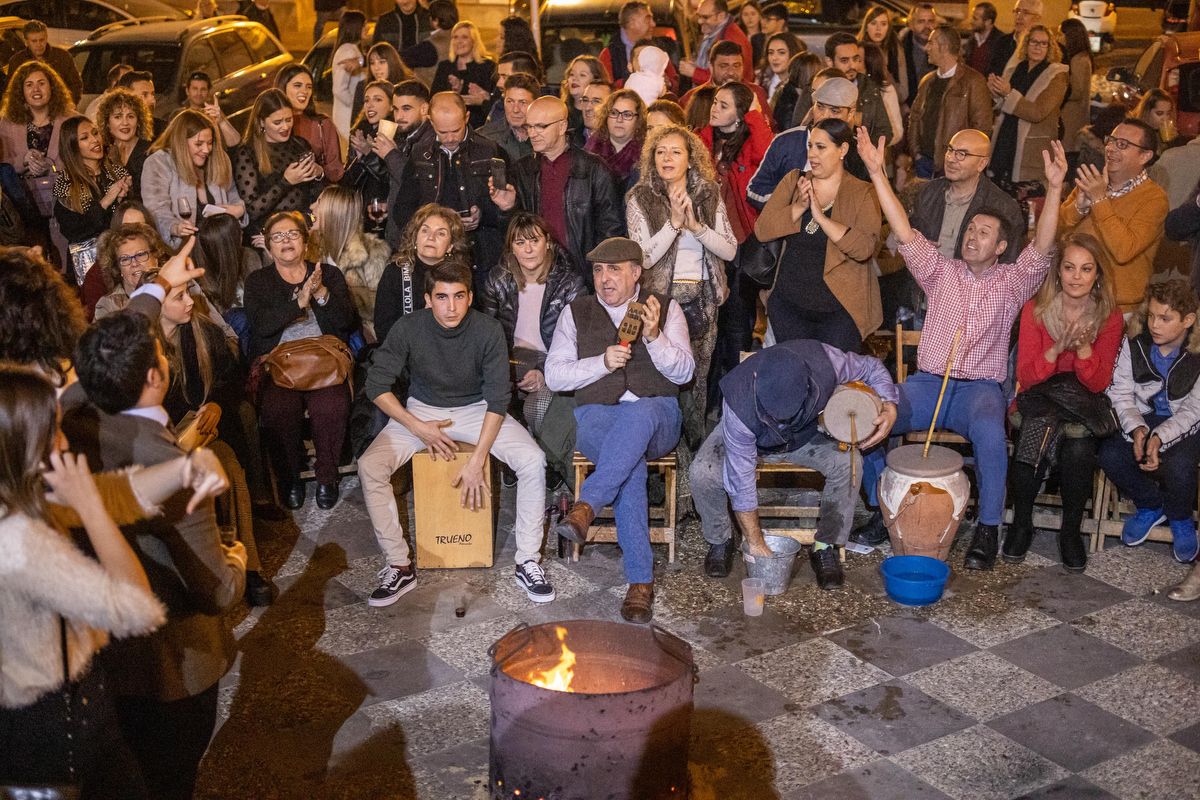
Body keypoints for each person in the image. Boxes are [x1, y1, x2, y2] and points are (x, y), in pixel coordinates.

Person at [857, 129, 1068, 569]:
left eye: (984, 232)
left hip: (978, 391)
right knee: (876, 418)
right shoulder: (940, 272)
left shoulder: (1013, 282)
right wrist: (877, 172)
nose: (972, 236)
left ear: (1002, 247)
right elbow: (903, 228)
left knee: (992, 434)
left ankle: (988, 529)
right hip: (929, 382)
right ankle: (883, 510)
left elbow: (1045, 247)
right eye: (971, 229)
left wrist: (1054, 188)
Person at [63, 311, 247, 800]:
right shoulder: (168, 463)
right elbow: (215, 590)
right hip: (172, 665)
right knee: (170, 781)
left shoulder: (74, 422)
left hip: (104, 657)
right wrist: (238, 553)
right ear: (154, 376)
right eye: (161, 353)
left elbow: (84, 381)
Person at [0, 364, 166, 800]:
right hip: (56, 744)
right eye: (53, 431)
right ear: (23, 444)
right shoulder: (19, 540)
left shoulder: (16, 504)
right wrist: (91, 508)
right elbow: (138, 608)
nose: (66, 442)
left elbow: (119, 492)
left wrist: (186, 471)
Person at [361, 259, 555, 606]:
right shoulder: (408, 328)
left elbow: (498, 398)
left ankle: (527, 560)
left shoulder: (488, 329)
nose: (451, 307)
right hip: (421, 411)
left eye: (459, 296)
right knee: (370, 465)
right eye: (441, 297)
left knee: (532, 460)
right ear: (427, 298)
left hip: (477, 409)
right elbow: (376, 384)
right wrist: (417, 426)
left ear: (469, 297)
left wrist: (477, 460)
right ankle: (399, 565)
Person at [548, 238, 696, 623]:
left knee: (642, 414)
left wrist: (654, 337)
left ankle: (587, 505)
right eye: (598, 270)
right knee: (627, 464)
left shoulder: (664, 308)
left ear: (636, 273)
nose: (605, 279)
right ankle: (640, 583)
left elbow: (685, 372)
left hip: (658, 415)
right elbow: (554, 375)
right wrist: (601, 362)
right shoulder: (575, 313)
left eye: (615, 270)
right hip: (597, 416)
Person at [691, 341, 898, 585]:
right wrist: (756, 542)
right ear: (757, 380)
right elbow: (741, 481)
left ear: (809, 384)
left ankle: (824, 546)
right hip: (749, 437)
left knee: (849, 464)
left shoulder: (827, 362)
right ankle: (720, 540)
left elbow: (872, 367)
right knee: (702, 472)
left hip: (803, 436)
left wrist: (889, 404)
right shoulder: (738, 400)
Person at [1005, 232, 1123, 570]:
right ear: (1058, 272)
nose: (1076, 277)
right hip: (1041, 394)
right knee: (1032, 429)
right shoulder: (1036, 310)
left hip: (1080, 399)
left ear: (1097, 274)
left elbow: (1098, 382)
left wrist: (1084, 349)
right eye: (1069, 268)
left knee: (1079, 446)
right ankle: (1021, 523)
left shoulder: (1109, 317)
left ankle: (1070, 532)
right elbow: (1027, 375)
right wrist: (1056, 349)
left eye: (1086, 269)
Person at [153, 278, 274, 604]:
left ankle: (249, 568)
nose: (190, 302)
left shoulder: (203, 333)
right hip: (160, 439)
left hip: (203, 433)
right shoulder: (142, 346)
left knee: (230, 470)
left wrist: (218, 403)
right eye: (179, 297)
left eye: (188, 294)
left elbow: (229, 379)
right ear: (157, 304)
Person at [627, 123, 736, 456]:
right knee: (663, 380)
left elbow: (730, 250)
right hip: (658, 298)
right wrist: (673, 225)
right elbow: (641, 256)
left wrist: (696, 227)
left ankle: (696, 450)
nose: (667, 158)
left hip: (702, 298)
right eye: (660, 152)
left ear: (690, 159)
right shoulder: (640, 197)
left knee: (697, 381)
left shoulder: (708, 193)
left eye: (675, 151)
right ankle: (666, 452)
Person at [243, 212, 359, 509]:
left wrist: (320, 293)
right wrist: (298, 303)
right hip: (280, 363)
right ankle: (290, 477)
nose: (286, 241)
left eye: (293, 234)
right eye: (278, 237)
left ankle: (326, 477)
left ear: (305, 242)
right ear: (268, 247)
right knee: (278, 410)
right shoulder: (258, 281)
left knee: (332, 405)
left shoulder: (328, 274)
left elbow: (345, 321)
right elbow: (261, 326)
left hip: (325, 360)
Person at [755, 117, 882, 352]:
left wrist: (822, 219)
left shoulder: (863, 192)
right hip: (789, 305)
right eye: (810, 146)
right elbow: (763, 230)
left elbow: (864, 248)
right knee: (795, 377)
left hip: (840, 312)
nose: (812, 154)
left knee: (833, 381)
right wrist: (799, 208)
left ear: (842, 149)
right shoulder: (795, 181)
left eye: (821, 147)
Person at [1100, 279, 1200, 564]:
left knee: (1181, 464)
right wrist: (1139, 429)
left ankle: (1180, 516)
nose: (1155, 324)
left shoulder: (1197, 354)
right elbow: (1120, 393)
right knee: (1110, 454)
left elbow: (1194, 411)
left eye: (1165, 319)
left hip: (1184, 421)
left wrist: (1159, 438)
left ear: (1187, 320)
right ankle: (1150, 504)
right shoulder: (1134, 341)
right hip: (1142, 416)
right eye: (1152, 316)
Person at [482, 212, 586, 482]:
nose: (527, 249)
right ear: (511, 248)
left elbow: (578, 341)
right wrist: (503, 371)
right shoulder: (498, 279)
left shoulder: (569, 283)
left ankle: (547, 457)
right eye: (519, 243)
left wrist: (543, 370)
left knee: (537, 408)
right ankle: (514, 457)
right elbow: (488, 334)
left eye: (534, 241)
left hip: (553, 360)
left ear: (548, 243)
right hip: (508, 359)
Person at [492, 96, 626, 284]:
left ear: (562, 126)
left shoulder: (594, 169)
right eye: (529, 127)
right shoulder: (522, 170)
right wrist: (507, 208)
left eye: (541, 126)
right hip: (535, 276)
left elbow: (611, 230)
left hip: (583, 276)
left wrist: (600, 275)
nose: (533, 133)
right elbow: (514, 233)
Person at [392, 92, 507, 289]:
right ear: (430, 121)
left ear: (467, 118)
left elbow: (508, 206)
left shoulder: (490, 151)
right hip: (433, 258)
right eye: (443, 132)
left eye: (456, 130)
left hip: (481, 255)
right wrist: (428, 228)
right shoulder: (420, 153)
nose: (451, 138)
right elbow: (403, 208)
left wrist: (483, 215)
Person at [1058, 117, 1168, 313]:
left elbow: (1124, 250)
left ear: (1145, 156)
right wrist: (1079, 208)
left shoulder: (1155, 199)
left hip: (1118, 308)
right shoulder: (1091, 183)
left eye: (1123, 145)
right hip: (1071, 298)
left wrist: (1099, 200)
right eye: (1110, 140)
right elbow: (1054, 237)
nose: (1111, 148)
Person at [909, 129, 1025, 266]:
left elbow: (1009, 265)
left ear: (982, 164)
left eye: (962, 154)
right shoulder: (928, 193)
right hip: (924, 281)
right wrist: (916, 246)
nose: (951, 159)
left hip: (976, 285)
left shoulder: (1003, 207)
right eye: (950, 150)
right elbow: (908, 237)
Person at [0, 60, 76, 258]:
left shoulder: (72, 120)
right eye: (29, 84)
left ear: (52, 87)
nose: (36, 89)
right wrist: (24, 161)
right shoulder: (7, 122)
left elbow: (82, 158)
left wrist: (51, 165)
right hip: (23, 205)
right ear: (21, 91)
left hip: (64, 201)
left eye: (41, 83)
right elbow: (3, 162)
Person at [747, 72, 856, 208]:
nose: (825, 116)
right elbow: (754, 191)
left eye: (835, 111)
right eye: (820, 107)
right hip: (788, 226)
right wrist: (792, 199)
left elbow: (874, 206)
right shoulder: (786, 141)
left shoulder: (860, 151)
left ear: (850, 113)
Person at [141, 109, 246, 249]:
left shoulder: (219, 159)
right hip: (184, 249)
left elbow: (233, 196)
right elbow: (156, 210)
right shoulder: (159, 162)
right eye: (199, 144)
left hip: (222, 246)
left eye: (209, 143)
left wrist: (239, 210)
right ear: (181, 142)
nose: (206, 150)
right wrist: (175, 227)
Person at [233, 89, 325, 240]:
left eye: (288, 120)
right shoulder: (248, 153)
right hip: (271, 233)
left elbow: (317, 194)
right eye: (277, 122)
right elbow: (251, 211)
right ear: (261, 121)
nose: (285, 127)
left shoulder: (299, 145)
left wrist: (318, 174)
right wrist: (286, 182)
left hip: (306, 225)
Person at [374, 203, 472, 342]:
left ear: (450, 246)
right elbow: (383, 330)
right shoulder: (394, 273)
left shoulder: (460, 276)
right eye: (425, 231)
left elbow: (471, 327)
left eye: (441, 233)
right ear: (415, 237)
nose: (431, 237)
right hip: (404, 354)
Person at [53, 116, 132, 285]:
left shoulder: (118, 172)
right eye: (84, 138)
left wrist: (121, 202)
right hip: (88, 265)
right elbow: (74, 231)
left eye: (95, 133)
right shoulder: (66, 182)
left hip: (123, 257)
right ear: (72, 146)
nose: (95, 140)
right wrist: (107, 200)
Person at [906, 25, 992, 179]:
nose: (927, 48)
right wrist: (916, 153)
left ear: (944, 47)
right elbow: (915, 118)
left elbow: (982, 129)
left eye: (931, 43)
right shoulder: (927, 81)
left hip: (954, 166)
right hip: (923, 163)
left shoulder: (973, 82)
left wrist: (963, 161)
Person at [987, 26, 1067, 188]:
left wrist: (1008, 94)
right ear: (1026, 44)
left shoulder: (1057, 75)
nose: (1038, 47)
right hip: (1005, 141)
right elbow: (1005, 105)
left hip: (1031, 151)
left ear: (1050, 47)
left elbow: (1037, 112)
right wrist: (995, 92)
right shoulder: (1018, 68)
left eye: (1043, 43)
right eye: (1034, 42)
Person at [311, 185, 390, 339]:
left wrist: (342, 296)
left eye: (319, 202)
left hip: (360, 337)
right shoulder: (312, 250)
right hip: (322, 333)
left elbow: (379, 308)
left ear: (334, 212)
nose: (311, 207)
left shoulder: (372, 253)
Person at [378, 79, 433, 246]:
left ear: (424, 109)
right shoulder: (404, 137)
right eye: (395, 109)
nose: (399, 116)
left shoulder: (432, 141)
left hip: (417, 238)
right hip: (399, 235)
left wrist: (390, 155)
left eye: (406, 109)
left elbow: (417, 182)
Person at [275, 64, 344, 183]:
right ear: (283, 88)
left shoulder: (323, 125)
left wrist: (319, 171)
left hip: (318, 196)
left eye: (309, 87)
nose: (304, 91)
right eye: (297, 86)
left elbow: (336, 172)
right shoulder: (270, 124)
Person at [344, 80, 397, 233]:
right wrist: (359, 158)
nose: (370, 105)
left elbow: (392, 178)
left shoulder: (396, 134)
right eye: (367, 100)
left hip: (385, 213)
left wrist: (368, 154)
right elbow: (348, 183)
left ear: (392, 105)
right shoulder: (359, 132)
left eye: (378, 99)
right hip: (360, 215)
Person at [92, 222, 173, 320]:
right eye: (125, 259)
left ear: (155, 258)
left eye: (140, 255)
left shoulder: (175, 288)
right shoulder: (108, 305)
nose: (134, 263)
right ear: (118, 268)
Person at [825, 33, 892, 145]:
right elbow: (801, 128)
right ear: (829, 62)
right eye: (844, 61)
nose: (852, 66)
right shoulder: (817, 87)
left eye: (856, 59)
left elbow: (885, 132)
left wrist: (860, 150)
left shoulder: (869, 87)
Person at [432, 22, 497, 129]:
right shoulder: (445, 66)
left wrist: (483, 96)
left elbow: (495, 100)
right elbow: (434, 98)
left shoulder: (488, 66)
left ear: (474, 41)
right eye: (455, 37)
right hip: (450, 126)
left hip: (480, 125)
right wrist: (454, 92)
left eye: (464, 37)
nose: (459, 41)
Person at [680, 40, 771, 117]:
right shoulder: (692, 98)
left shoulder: (757, 93)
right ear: (711, 67)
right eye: (724, 66)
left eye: (736, 66)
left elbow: (770, 131)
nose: (731, 72)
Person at [95, 89, 152, 201]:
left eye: (130, 116)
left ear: (139, 121)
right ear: (107, 123)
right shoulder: (101, 153)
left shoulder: (151, 152)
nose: (125, 123)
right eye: (118, 117)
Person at [5, 20, 82, 103]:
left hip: (58, 110)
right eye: (34, 41)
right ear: (26, 42)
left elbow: (76, 85)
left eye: (41, 40)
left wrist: (68, 106)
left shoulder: (62, 57)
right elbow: (12, 91)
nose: (39, 44)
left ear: (46, 38)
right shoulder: (17, 61)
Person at [681, 0, 755, 85]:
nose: (699, 21)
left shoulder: (732, 38)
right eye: (699, 16)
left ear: (721, 16)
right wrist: (696, 65)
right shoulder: (714, 33)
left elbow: (730, 79)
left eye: (705, 17)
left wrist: (694, 73)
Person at [585, 87, 646, 186]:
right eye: (614, 113)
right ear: (606, 116)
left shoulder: (645, 154)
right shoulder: (591, 148)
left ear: (638, 120)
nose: (619, 119)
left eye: (627, 115)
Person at [480, 72, 538, 163]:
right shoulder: (485, 138)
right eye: (510, 101)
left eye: (522, 102)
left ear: (535, 104)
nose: (515, 109)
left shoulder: (547, 137)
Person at [398, 0, 458, 88]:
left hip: (431, 95)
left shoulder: (431, 46)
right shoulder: (458, 38)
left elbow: (399, 58)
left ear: (435, 21)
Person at [173, 71, 241, 148]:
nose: (199, 93)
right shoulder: (179, 115)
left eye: (203, 89)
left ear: (208, 92)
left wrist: (221, 121)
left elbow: (235, 142)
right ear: (187, 91)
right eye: (195, 89)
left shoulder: (214, 113)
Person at [350, 42, 410, 126]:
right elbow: (355, 122)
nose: (376, 68)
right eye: (372, 63)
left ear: (392, 62)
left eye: (382, 62)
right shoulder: (363, 86)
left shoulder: (405, 87)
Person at [331, 11, 369, 144]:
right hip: (347, 120)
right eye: (364, 25)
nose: (368, 28)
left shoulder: (352, 50)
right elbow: (339, 89)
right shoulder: (348, 51)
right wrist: (356, 106)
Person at [600, 1, 659, 83]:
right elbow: (605, 89)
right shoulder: (609, 54)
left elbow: (674, 82)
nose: (653, 24)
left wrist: (668, 83)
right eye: (647, 19)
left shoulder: (659, 48)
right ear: (631, 23)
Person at [858, 5, 905, 102]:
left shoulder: (894, 48)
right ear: (866, 26)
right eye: (873, 23)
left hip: (891, 97)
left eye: (883, 24)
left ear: (888, 27)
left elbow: (903, 81)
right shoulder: (859, 49)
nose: (878, 28)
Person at [760, 32, 804, 129]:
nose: (774, 58)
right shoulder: (764, 82)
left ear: (793, 54)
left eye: (781, 53)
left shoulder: (798, 88)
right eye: (770, 53)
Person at [862, 43, 904, 145]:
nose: (852, 64)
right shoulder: (850, 87)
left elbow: (896, 132)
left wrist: (870, 145)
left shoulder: (886, 90)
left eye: (858, 59)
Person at [560, 55, 608, 143]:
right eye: (571, 74)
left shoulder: (605, 115)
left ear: (596, 80)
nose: (574, 78)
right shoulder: (559, 111)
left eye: (582, 75)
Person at [897, 2, 937, 104]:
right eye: (921, 21)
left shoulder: (945, 48)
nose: (927, 26)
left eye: (930, 21)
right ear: (911, 24)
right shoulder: (899, 50)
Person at [997, 0, 1043, 76]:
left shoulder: (1044, 47)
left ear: (1037, 18)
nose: (1019, 17)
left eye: (1025, 13)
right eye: (1017, 11)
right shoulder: (1002, 42)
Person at [117, 71, 167, 140]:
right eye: (144, 95)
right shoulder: (114, 129)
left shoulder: (164, 129)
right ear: (126, 97)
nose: (152, 100)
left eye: (152, 94)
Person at [964, 1, 1007, 78]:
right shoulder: (972, 38)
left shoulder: (1002, 42)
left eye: (975, 19)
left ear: (988, 22)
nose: (971, 21)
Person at [1133, 88, 1177, 153]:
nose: (1165, 118)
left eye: (1168, 113)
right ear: (1146, 112)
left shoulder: (1160, 134)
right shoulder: (1136, 134)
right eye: (1159, 113)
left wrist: (1174, 142)